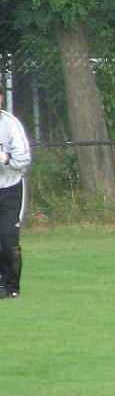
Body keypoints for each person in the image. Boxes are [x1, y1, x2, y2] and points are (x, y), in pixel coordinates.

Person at [0, 86, 31, 300]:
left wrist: (4, 157)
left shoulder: (10, 125)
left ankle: (12, 287)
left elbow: (23, 160)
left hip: (9, 189)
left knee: (7, 239)